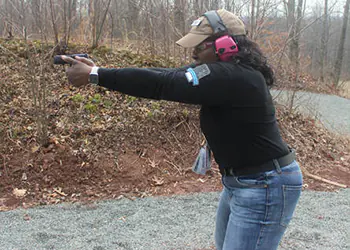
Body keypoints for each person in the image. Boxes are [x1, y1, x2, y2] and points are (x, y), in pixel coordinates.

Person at [62, 9, 303, 250]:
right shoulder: (227, 73)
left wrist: (95, 75)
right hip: (246, 182)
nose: (194, 52)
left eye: (199, 45)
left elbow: (163, 85)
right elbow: (168, 74)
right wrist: (99, 71)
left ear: (225, 45)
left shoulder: (233, 76)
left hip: (263, 185)